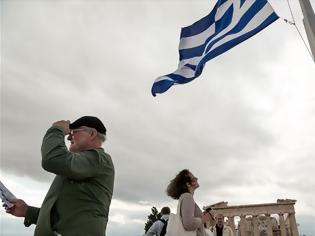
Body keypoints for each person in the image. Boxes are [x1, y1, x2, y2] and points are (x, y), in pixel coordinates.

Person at [5, 116, 115, 236]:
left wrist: (57, 129)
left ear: (92, 133)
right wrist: (27, 211)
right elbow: (63, 218)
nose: (68, 137)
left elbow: (52, 159)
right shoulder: (80, 166)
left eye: (73, 132)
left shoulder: (99, 159)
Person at [166, 169, 214, 236]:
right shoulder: (187, 197)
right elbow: (188, 224)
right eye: (193, 177)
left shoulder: (185, 197)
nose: (197, 178)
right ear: (188, 184)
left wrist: (201, 215)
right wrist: (205, 218)